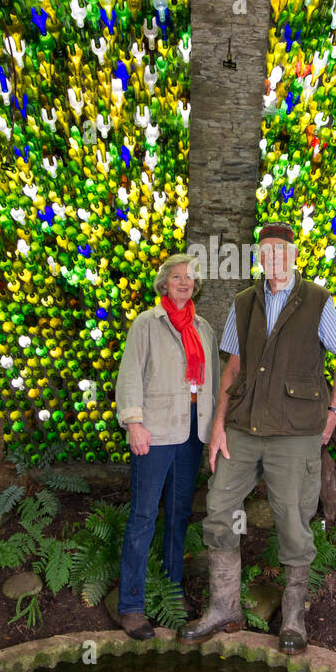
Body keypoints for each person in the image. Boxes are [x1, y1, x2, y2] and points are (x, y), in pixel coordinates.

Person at [179, 221, 336, 651]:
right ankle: (224, 608)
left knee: (293, 520)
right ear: (259, 256)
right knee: (218, 507)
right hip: (243, 427)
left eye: (280, 251)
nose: (272, 258)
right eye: (265, 251)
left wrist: (333, 412)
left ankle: (293, 619)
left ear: (293, 256)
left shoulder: (316, 300)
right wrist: (218, 426)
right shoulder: (244, 302)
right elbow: (233, 368)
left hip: (295, 433)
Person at [114, 254, 219, 639]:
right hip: (155, 432)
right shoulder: (147, 323)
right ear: (164, 283)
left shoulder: (204, 328)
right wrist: (134, 422)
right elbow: (129, 376)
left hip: (192, 432)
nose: (184, 282)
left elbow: (215, 380)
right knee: (143, 517)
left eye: (189, 277)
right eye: (176, 276)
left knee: (178, 516)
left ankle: (171, 596)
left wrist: (214, 431)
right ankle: (131, 605)